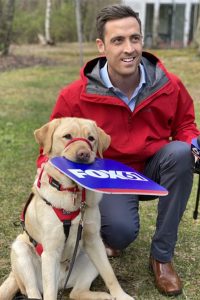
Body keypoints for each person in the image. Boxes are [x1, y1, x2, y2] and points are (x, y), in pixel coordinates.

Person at [37, 4, 200, 297]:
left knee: (179, 153)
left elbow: (186, 124)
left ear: (142, 40)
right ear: (101, 46)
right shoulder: (74, 96)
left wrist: (193, 145)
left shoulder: (169, 85)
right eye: (118, 40)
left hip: (153, 167)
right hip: (108, 177)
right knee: (120, 233)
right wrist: (47, 184)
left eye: (135, 38)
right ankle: (111, 235)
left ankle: (161, 257)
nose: (129, 48)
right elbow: (50, 147)